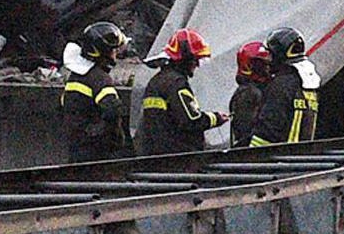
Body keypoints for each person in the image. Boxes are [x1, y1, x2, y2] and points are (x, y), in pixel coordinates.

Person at [137, 28, 226, 156]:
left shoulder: (157, 81)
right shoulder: (176, 83)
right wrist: (216, 118)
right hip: (178, 156)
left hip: (156, 153)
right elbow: (191, 120)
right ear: (186, 58)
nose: (197, 65)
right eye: (195, 60)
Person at [59, 21, 132, 162]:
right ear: (104, 52)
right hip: (97, 152)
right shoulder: (99, 78)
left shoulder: (75, 77)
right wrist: (112, 137)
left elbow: (63, 106)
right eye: (114, 50)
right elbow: (112, 109)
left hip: (76, 148)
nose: (116, 54)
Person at [248, 25, 322, 147]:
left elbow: (269, 128)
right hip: (303, 157)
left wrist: (252, 157)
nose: (268, 60)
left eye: (270, 54)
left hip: (280, 160)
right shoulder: (308, 84)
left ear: (279, 54)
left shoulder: (281, 84)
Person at [228, 39, 270, 150]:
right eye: (262, 64)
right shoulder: (248, 93)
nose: (267, 67)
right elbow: (244, 130)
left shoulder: (260, 89)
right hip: (251, 153)